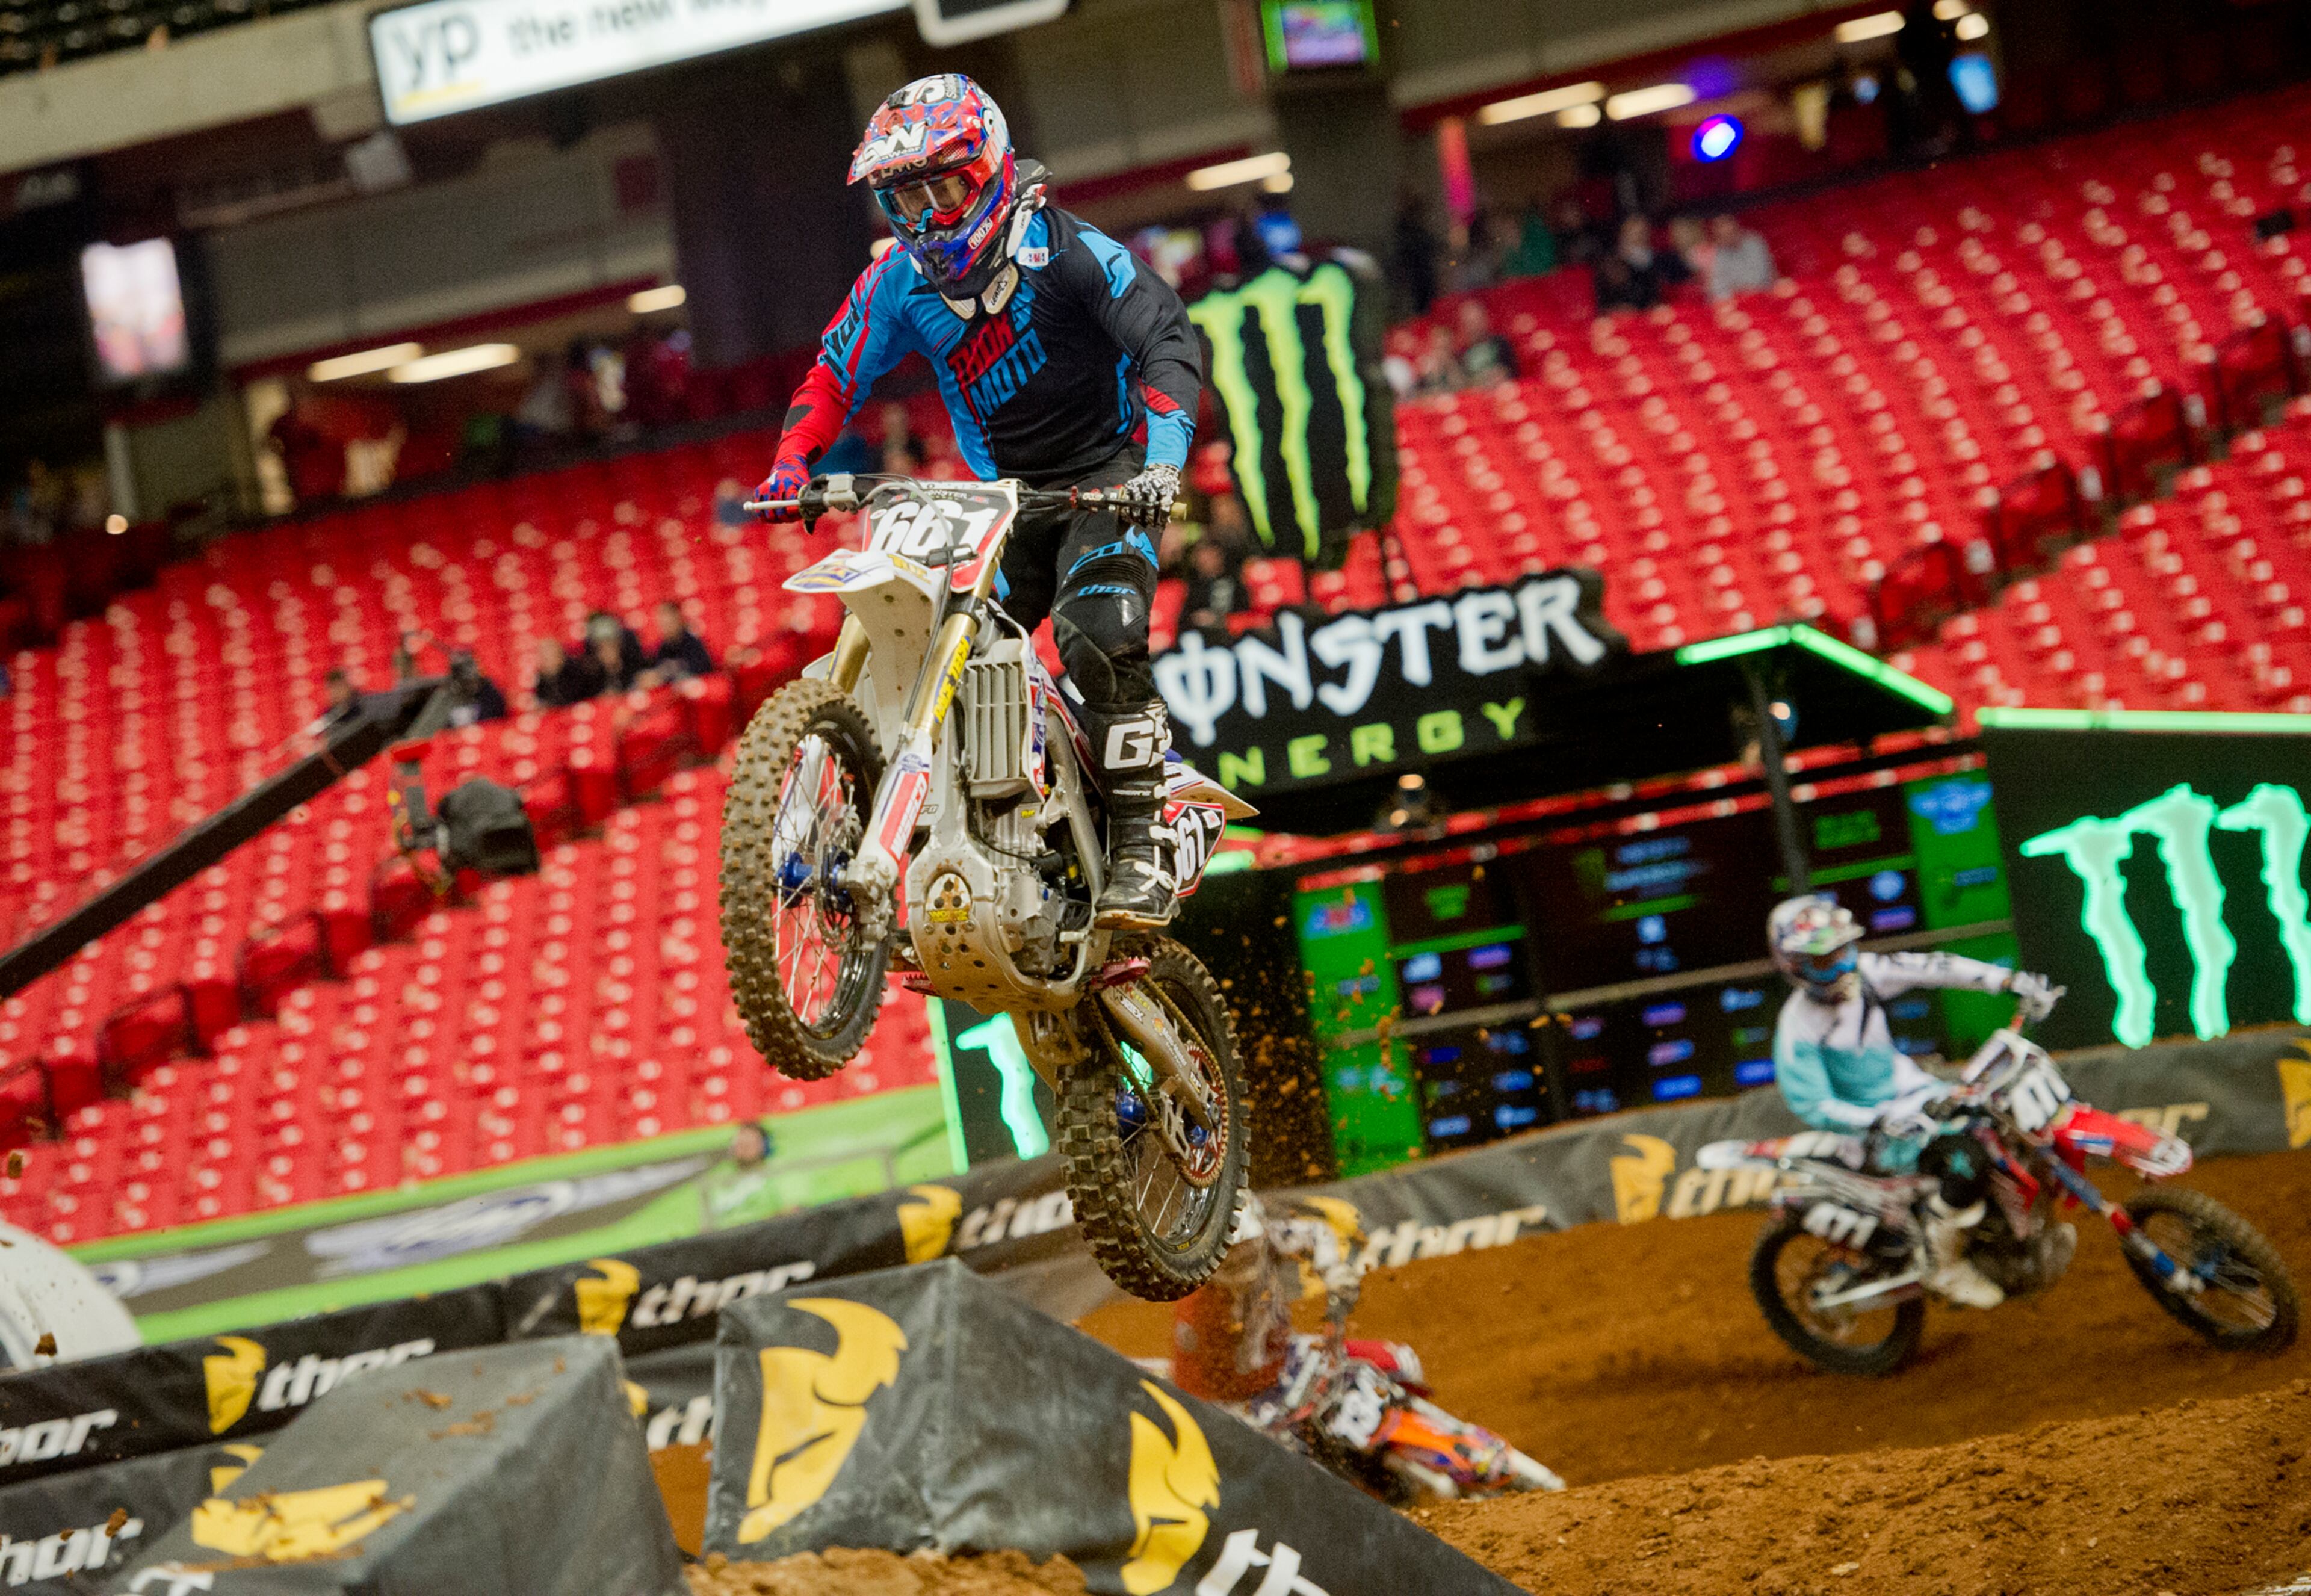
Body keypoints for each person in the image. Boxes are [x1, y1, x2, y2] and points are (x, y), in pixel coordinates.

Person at [753, 73, 1203, 930]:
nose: (924, 217)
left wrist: (1164, 468)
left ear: (989, 171)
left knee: (1095, 634)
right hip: (1000, 501)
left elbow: (1166, 339)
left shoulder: (1067, 251)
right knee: (926, 649)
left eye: (942, 190)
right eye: (904, 198)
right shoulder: (897, 282)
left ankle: (1149, 836)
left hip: (1107, 480)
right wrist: (789, 463)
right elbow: (833, 373)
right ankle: (918, 835)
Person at [1767, 895, 2059, 1310]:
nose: (1842, 965)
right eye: (1824, 960)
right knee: (1967, 1162)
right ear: (1794, 965)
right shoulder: (1797, 1029)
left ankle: (2021, 1235)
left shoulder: (1866, 973)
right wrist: (1880, 1120)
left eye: (1843, 950)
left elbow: (1934, 967)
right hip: (1875, 1133)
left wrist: (2008, 982)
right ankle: (1945, 1265)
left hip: (1923, 1096)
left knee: (2006, 1121)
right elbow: (1814, 1105)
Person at [699, 1119, 783, 1229]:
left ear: (764, 1147)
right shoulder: (719, 1179)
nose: (743, 1150)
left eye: (748, 1145)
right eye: (740, 1145)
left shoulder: (776, 1174)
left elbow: (790, 1212)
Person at [1707, 214, 1777, 301]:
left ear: (1737, 227)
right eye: (1722, 235)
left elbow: (1759, 279)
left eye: (1730, 233)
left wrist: (1738, 290)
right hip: (1734, 301)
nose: (1727, 237)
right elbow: (1717, 288)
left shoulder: (1754, 242)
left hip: (1763, 296)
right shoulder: (1716, 252)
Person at [643, 599, 715, 684]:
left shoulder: (692, 642)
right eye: (663, 625)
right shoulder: (662, 647)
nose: (666, 629)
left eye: (669, 624)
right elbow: (656, 670)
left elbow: (702, 668)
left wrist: (671, 671)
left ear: (679, 619)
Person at [1455, 300, 1518, 388]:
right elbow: (1463, 383)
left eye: (1477, 321)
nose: (1474, 327)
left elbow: (1511, 372)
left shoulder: (1501, 343)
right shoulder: (1461, 355)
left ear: (1485, 320)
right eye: (1469, 323)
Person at [532, 636, 606, 709]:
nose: (548, 660)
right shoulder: (540, 678)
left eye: (551, 654)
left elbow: (572, 699)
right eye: (545, 657)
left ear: (560, 654)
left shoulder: (576, 672)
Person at [444, 651, 507, 726]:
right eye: (465, 682)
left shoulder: (491, 694)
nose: (470, 684)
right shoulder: (449, 695)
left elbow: (495, 721)